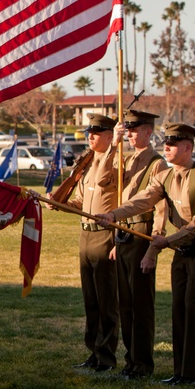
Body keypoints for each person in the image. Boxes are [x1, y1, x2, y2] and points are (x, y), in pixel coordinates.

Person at [97, 123, 195, 386]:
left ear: (188, 148)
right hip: (181, 246)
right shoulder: (166, 177)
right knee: (179, 309)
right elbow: (143, 200)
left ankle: (191, 373)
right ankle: (180, 371)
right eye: (166, 142)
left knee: (194, 309)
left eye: (174, 144)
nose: (167, 147)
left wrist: (166, 241)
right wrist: (114, 215)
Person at [113, 110, 166, 380]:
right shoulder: (129, 159)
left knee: (141, 304)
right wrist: (114, 144)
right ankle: (131, 360)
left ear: (148, 131)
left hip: (142, 232)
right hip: (124, 233)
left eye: (135, 130)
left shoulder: (157, 164)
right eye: (129, 131)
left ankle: (143, 363)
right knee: (126, 304)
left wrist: (152, 249)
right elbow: (106, 183)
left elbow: (160, 209)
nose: (131, 135)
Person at [68, 113, 120, 373]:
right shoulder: (88, 163)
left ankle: (107, 356)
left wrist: (114, 149)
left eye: (97, 133)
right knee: (91, 299)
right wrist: (60, 202)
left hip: (104, 234)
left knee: (107, 300)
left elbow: (108, 187)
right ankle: (93, 351)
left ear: (110, 137)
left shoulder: (115, 163)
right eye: (90, 132)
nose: (90, 136)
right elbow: (80, 201)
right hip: (85, 235)